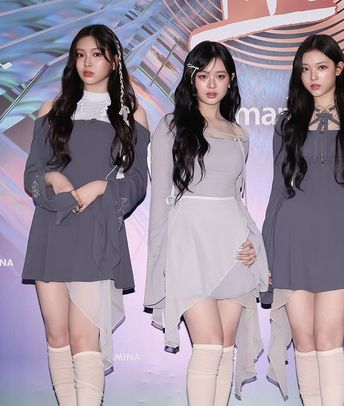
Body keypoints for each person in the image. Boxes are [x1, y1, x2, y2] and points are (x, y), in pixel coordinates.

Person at [22, 24, 149, 405]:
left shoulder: (132, 115)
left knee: (83, 337)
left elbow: (138, 183)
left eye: (96, 54)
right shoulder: (52, 109)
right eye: (80, 55)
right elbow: (32, 174)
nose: (87, 63)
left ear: (114, 60)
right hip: (52, 229)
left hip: (96, 231)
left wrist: (101, 188)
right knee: (56, 335)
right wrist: (53, 178)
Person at [144, 41, 269, 406]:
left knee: (225, 348)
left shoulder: (239, 134)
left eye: (220, 76)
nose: (211, 84)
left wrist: (253, 244)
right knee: (209, 344)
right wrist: (159, 260)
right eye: (203, 76)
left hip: (234, 251)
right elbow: (160, 199)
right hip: (189, 247)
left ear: (231, 81)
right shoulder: (170, 127)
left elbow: (239, 200)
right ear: (191, 79)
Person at [262, 34, 344, 405]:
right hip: (292, 238)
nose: (313, 76)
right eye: (306, 69)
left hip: (340, 239)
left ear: (339, 69)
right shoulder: (287, 123)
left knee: (329, 341)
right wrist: (267, 253)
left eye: (322, 67)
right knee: (305, 342)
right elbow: (277, 193)